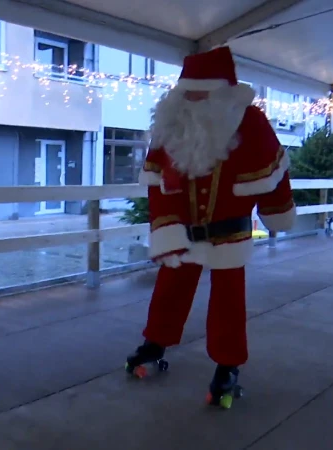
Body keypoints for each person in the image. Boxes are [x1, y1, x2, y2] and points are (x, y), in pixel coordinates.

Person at [125, 46, 296, 407]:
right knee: (169, 290)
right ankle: (155, 342)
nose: (195, 97)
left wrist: (276, 211)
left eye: (202, 90)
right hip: (181, 229)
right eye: (189, 91)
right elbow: (157, 183)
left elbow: (275, 174)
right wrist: (165, 229)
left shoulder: (251, 123)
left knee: (229, 301)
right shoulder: (171, 125)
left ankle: (228, 363)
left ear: (223, 91)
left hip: (229, 232)